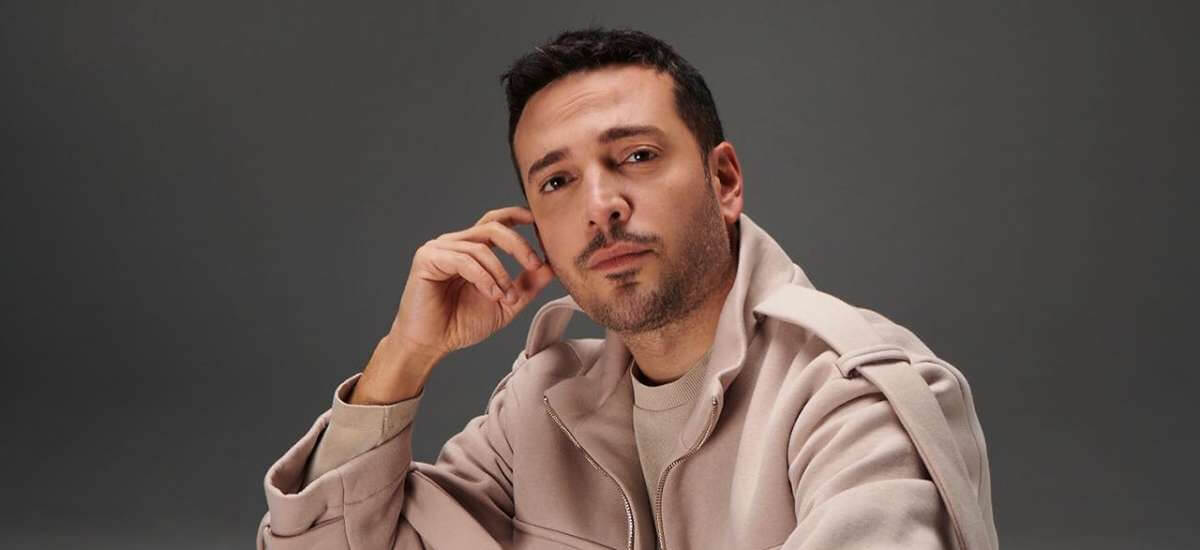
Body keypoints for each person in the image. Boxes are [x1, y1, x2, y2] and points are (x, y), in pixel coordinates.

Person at [257, 27, 997, 550]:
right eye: (557, 181)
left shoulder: (850, 393)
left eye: (637, 156)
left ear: (723, 180)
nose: (600, 206)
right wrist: (403, 357)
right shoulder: (538, 410)